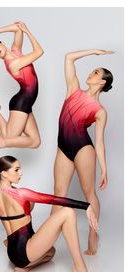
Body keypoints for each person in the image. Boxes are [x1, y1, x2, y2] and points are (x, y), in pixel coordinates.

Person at [0, 156, 98, 272]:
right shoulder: (21, 193)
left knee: (51, 252)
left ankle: (25, 268)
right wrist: (86, 206)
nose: (21, 173)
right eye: (17, 170)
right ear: (4, 173)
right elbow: (53, 199)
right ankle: (80, 268)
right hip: (25, 249)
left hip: (12, 254)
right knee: (68, 212)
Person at [52, 49, 114, 255]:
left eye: (96, 73)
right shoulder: (73, 89)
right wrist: (95, 52)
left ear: (102, 82)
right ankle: (48, 240)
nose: (91, 73)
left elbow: (99, 142)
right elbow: (68, 57)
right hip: (63, 147)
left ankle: (93, 235)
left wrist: (104, 169)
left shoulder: (99, 110)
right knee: (58, 194)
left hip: (82, 148)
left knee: (89, 194)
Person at [0, 21, 43, 149]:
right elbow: (39, 52)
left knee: (35, 142)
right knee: (9, 137)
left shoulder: (16, 51)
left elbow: (18, 28)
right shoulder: (13, 64)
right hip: (21, 101)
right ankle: (2, 139)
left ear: (2, 43)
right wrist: (27, 31)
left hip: (27, 101)